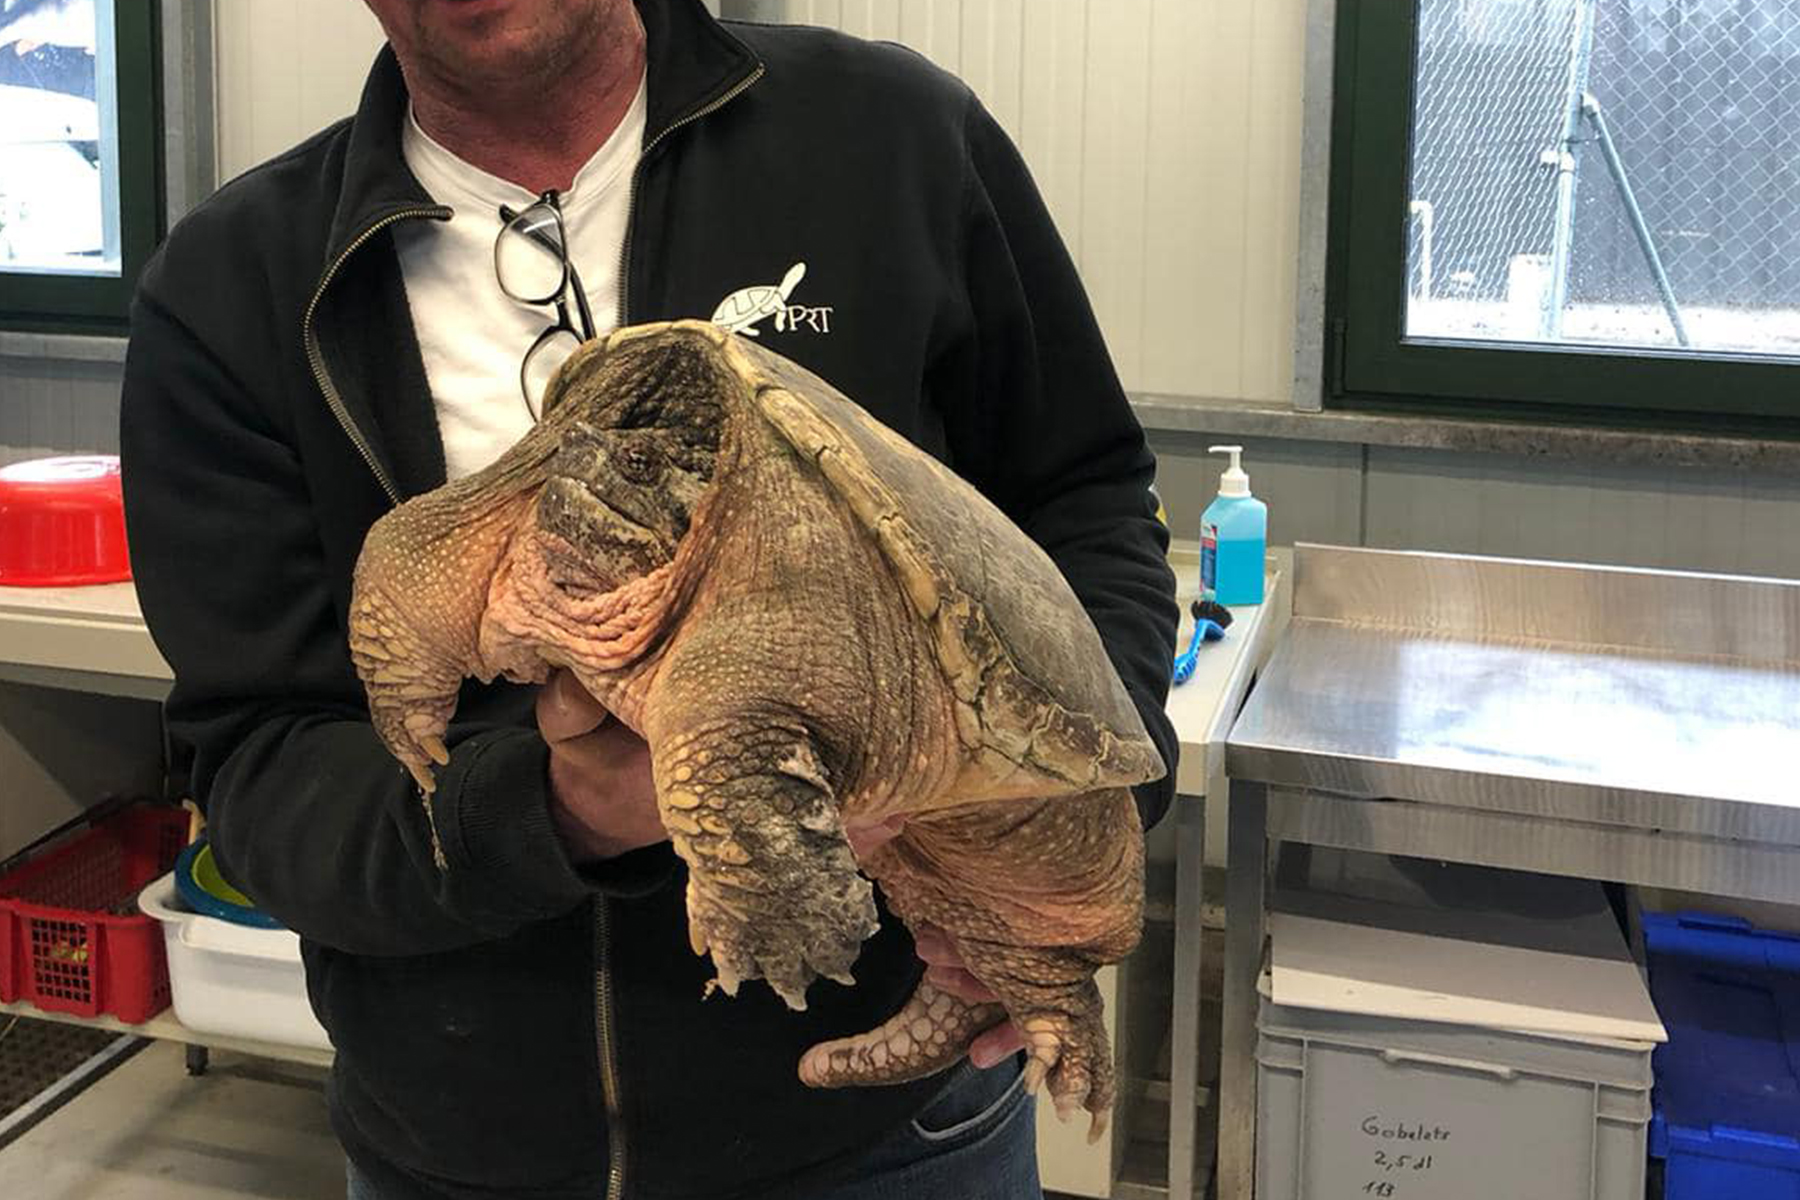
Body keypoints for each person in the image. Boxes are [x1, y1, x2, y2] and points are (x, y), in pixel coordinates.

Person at [117, 1, 1180, 1196]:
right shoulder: (231, 284)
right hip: (461, 1148)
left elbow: (1083, 504)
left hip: (897, 1153)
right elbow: (259, 765)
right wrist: (561, 810)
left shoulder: (889, 141)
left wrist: (1049, 834)